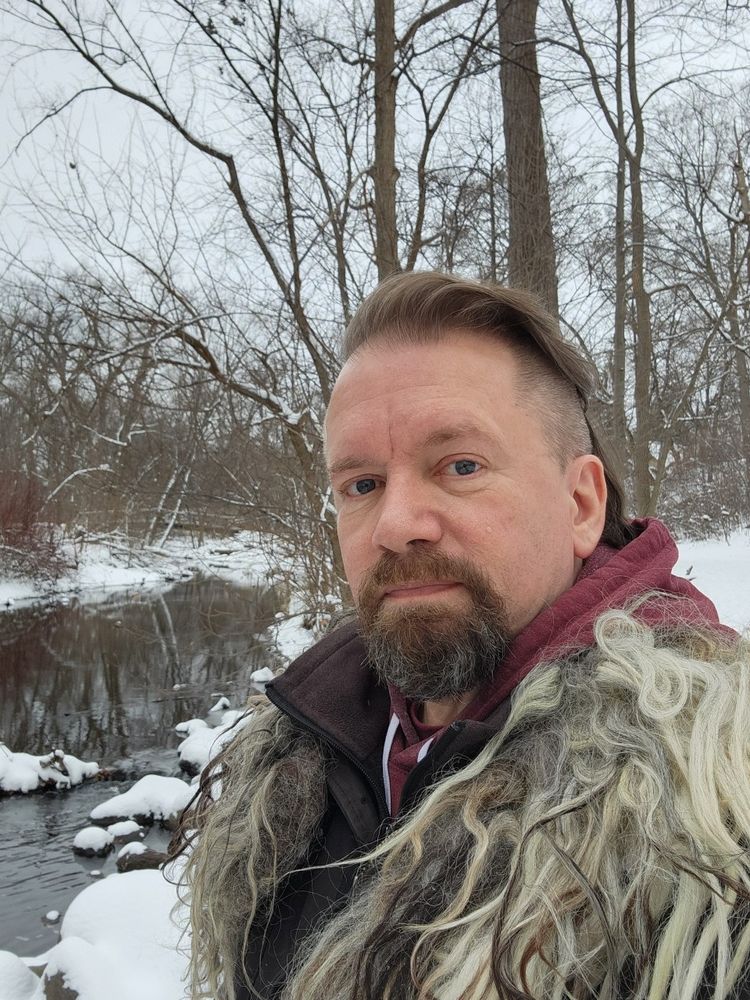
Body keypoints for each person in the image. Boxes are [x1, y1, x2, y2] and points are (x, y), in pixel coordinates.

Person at [176, 272, 749, 1000]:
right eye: (361, 484)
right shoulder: (295, 759)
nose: (394, 523)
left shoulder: (710, 830)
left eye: (460, 466)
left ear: (580, 503)